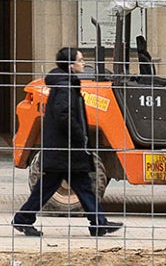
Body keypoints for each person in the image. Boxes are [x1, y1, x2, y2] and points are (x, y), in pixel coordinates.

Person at [11, 46, 120, 238]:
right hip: (65, 148)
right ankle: (23, 218)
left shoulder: (66, 83)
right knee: (56, 186)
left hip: (66, 149)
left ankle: (98, 223)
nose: (83, 63)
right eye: (80, 60)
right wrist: (81, 136)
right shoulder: (65, 87)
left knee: (80, 186)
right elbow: (64, 116)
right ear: (70, 65)